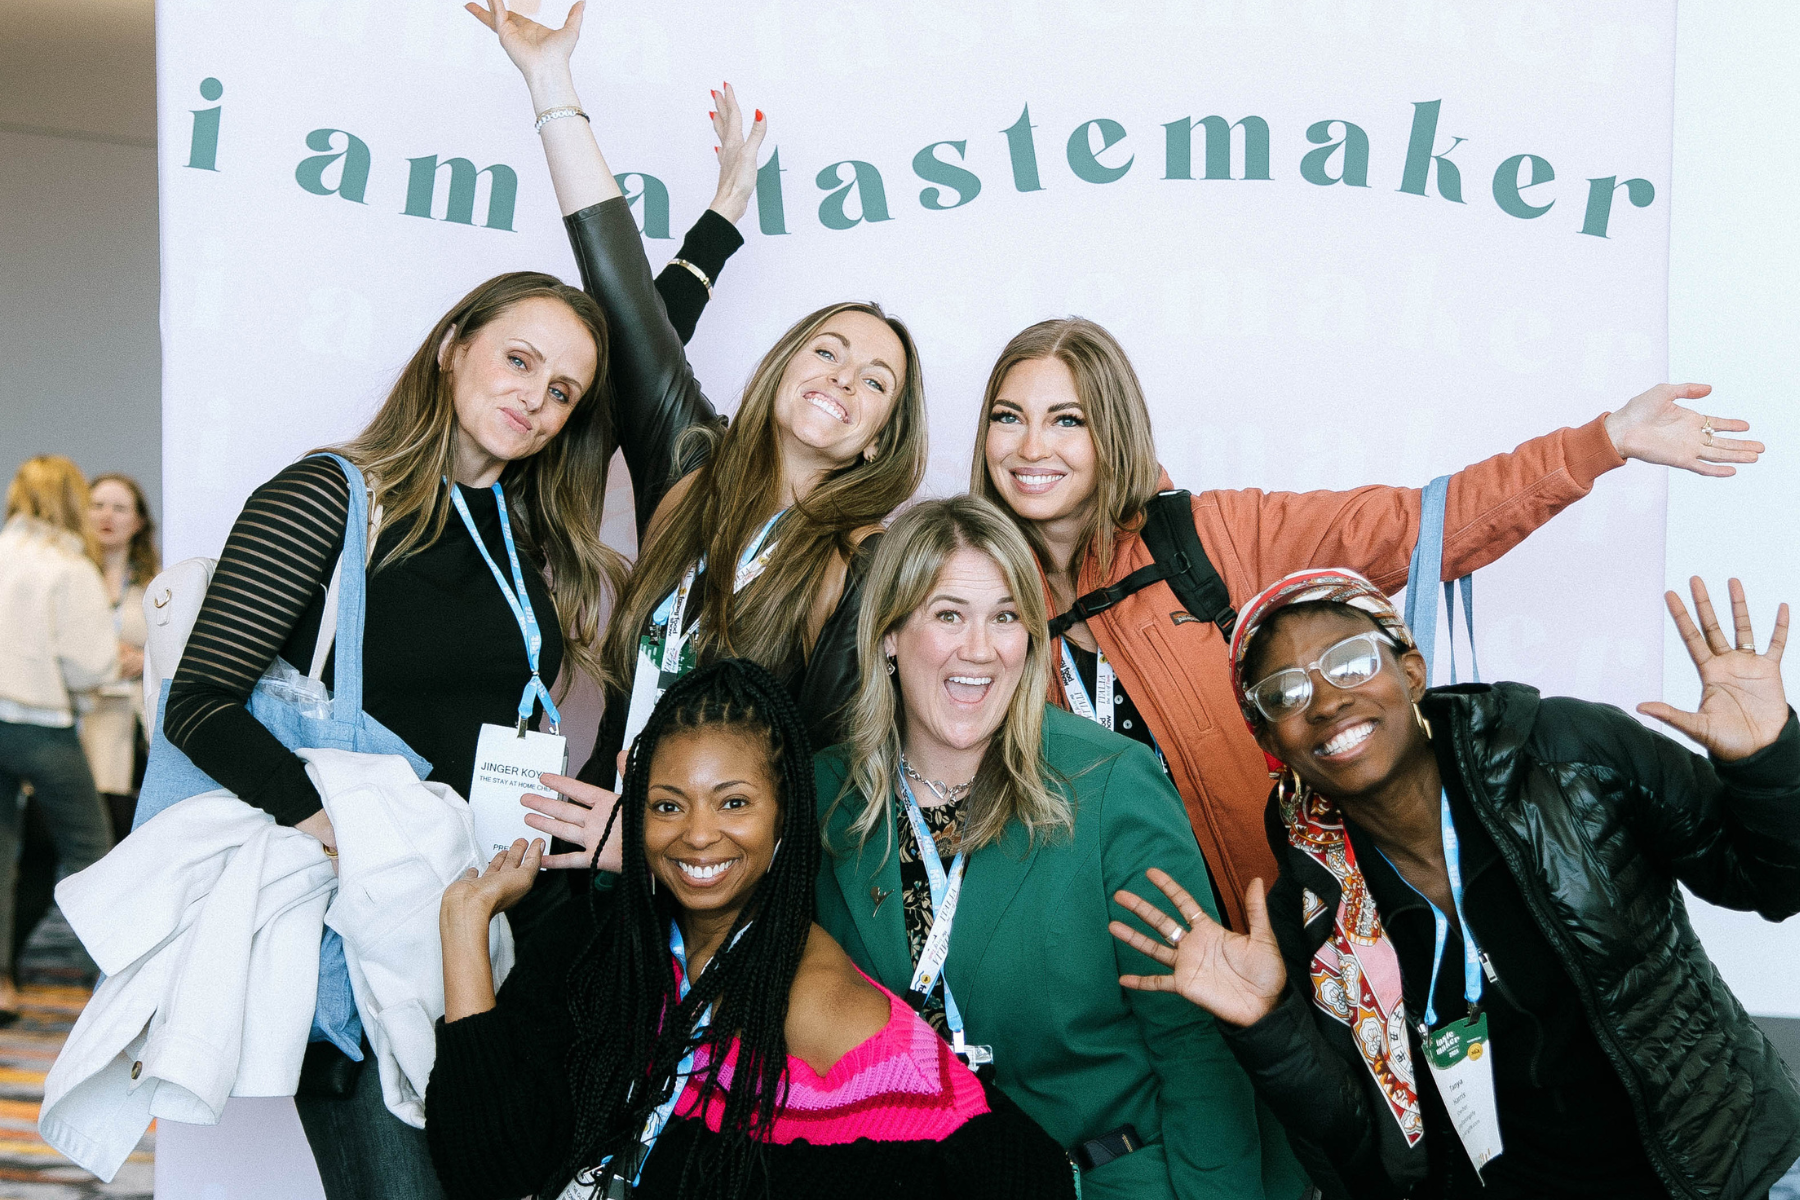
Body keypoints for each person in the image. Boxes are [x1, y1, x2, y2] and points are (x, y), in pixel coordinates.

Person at [969, 316, 1766, 930]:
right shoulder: (974, 596)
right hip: (1119, 954)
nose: (1033, 446)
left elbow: (1421, 527)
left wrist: (1600, 443)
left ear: (1111, 432)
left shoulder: (1210, 538)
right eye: (1010, 417)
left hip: (1291, 935)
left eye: (1066, 420)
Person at [159, 270, 636, 1200]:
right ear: (454, 344)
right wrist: (339, 833)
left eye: (562, 391)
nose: (535, 399)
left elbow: (650, 381)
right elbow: (201, 700)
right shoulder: (328, 498)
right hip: (361, 920)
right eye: (518, 359)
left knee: (497, 1175)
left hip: (485, 918)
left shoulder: (516, 529)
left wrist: (717, 228)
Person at [1108, 567, 1800, 1199]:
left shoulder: (1567, 753)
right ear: (1270, 738)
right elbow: (1369, 1162)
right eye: (1285, 693)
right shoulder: (1309, 916)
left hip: (1709, 1172)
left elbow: (1770, 883)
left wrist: (1769, 761)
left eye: (1349, 662)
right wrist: (1268, 1028)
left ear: (1410, 672)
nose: (1323, 701)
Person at [469, 0, 927, 806]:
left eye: (875, 380)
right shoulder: (691, 465)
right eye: (827, 350)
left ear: (877, 441)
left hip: (729, 874)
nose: (842, 377)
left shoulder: (862, 562)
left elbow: (833, 770)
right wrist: (550, 83)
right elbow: (619, 290)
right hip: (597, 836)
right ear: (784, 367)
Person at [426, 658, 1075, 1200]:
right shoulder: (613, 945)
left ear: (783, 818)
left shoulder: (822, 1011)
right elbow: (485, 1170)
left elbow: (1026, 1174)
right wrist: (464, 928)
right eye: (667, 805)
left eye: (733, 802)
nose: (698, 833)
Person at [811, 495, 1308, 1200]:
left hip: (1108, 1180)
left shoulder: (1109, 784)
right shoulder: (823, 799)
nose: (979, 649)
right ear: (889, 634)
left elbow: (1193, 1049)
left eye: (1006, 617)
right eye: (948, 614)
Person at [0, 456, 117, 1020]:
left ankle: (2, 987)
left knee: (1, 858)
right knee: (93, 853)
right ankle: (117, 984)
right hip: (40, 725)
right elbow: (88, 665)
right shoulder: (69, 567)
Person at [80, 472, 158, 840]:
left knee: (120, 834)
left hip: (129, 722)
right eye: (97, 506)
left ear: (139, 521)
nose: (106, 516)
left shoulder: (156, 582)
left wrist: (145, 660)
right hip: (78, 718)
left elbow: (178, 648)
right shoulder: (69, 574)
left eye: (119, 508)